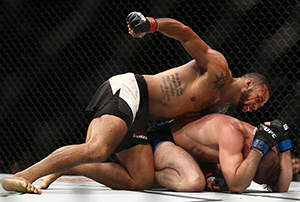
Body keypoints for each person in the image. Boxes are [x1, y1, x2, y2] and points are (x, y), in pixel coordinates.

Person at [2, 11, 270, 194]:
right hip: (131, 90)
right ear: (249, 83)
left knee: (140, 179)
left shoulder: (217, 107)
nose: (258, 105)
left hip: (144, 118)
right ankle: (25, 175)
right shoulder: (219, 70)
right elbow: (187, 34)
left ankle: (70, 166)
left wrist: (210, 173)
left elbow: (189, 136)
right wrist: (151, 23)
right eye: (261, 97)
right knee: (98, 148)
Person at [149, 114, 293, 193]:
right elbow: (237, 186)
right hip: (164, 139)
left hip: (191, 155)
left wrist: (285, 143)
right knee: (193, 182)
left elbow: (281, 188)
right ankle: (149, 176)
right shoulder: (232, 132)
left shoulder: (266, 144)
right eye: (252, 173)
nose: (249, 179)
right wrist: (257, 150)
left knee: (221, 174)